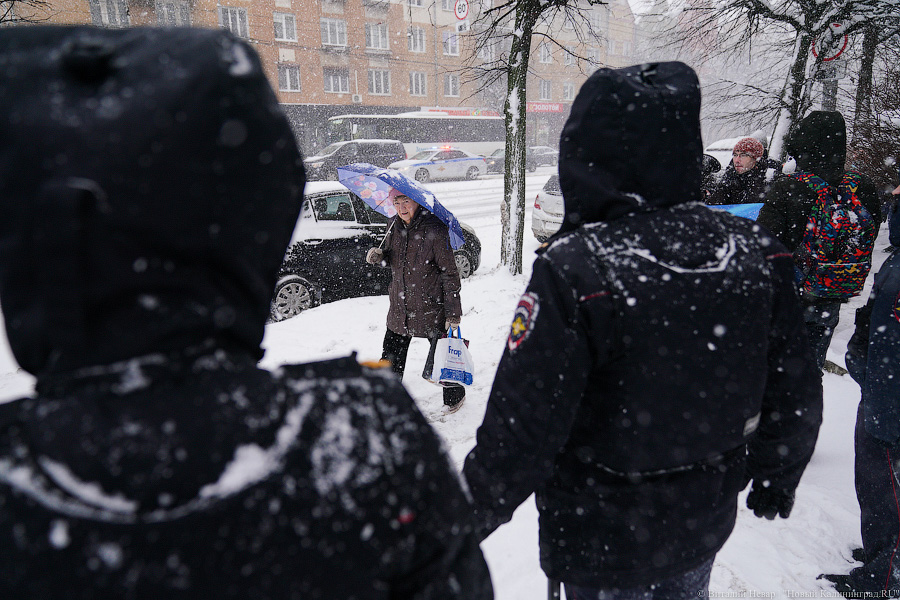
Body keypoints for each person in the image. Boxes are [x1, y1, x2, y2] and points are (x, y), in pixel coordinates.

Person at [0, 26, 493, 599]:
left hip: (425, 308)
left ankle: (450, 388)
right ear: (256, 226)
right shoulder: (369, 442)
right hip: (397, 317)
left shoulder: (14, 489)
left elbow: (447, 274)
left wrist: (451, 313)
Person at [461, 62, 823, 598]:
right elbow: (794, 383)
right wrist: (778, 469)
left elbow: (523, 427)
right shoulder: (754, 251)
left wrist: (454, 529)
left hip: (599, 533)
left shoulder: (577, 267)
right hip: (702, 517)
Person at [757, 111, 880, 371]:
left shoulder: (789, 187)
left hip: (789, 295)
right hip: (831, 290)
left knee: (773, 373)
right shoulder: (861, 187)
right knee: (811, 371)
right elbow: (871, 231)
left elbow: (764, 242)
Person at [821, 200, 900, 598]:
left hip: (890, 399)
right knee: (874, 485)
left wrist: (882, 394)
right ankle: (881, 554)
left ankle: (886, 578)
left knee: (887, 487)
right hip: (880, 389)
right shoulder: (896, 258)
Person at [366, 191, 466, 415]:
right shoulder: (393, 225)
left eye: (406, 202)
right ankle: (388, 398)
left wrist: (453, 312)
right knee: (391, 356)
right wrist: (379, 257)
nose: (401, 208)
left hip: (431, 307)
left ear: (417, 203)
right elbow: (392, 258)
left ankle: (455, 397)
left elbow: (449, 273)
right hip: (399, 307)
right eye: (397, 202)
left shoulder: (435, 230)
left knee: (444, 356)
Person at [706, 136, 770, 205]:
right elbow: (715, 203)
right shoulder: (730, 177)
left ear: (755, 159)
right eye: (735, 155)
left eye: (743, 155)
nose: (737, 160)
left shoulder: (768, 179)